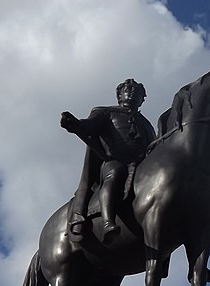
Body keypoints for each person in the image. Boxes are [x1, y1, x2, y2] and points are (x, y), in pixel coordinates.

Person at [61, 78, 156, 243]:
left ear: (142, 100)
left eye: (137, 92)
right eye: (128, 89)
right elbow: (87, 126)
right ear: (119, 96)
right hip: (114, 161)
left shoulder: (147, 125)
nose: (132, 93)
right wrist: (75, 124)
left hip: (140, 165)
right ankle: (107, 222)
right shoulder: (105, 112)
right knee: (115, 174)